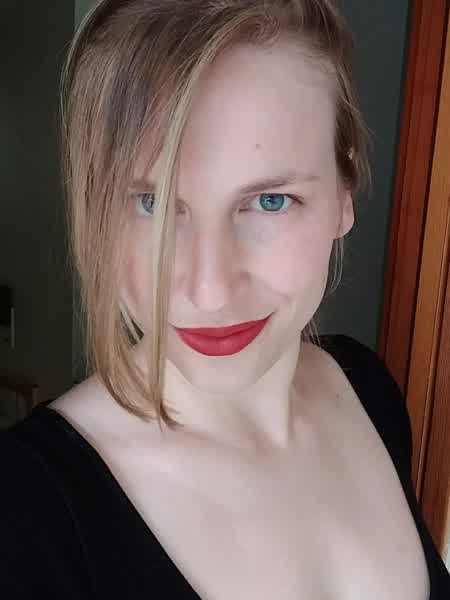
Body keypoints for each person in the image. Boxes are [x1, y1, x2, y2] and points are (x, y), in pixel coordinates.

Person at [1, 0, 449, 598]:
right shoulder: (23, 516)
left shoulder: (367, 388)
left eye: (269, 201)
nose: (208, 291)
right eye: (152, 204)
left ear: (344, 193)